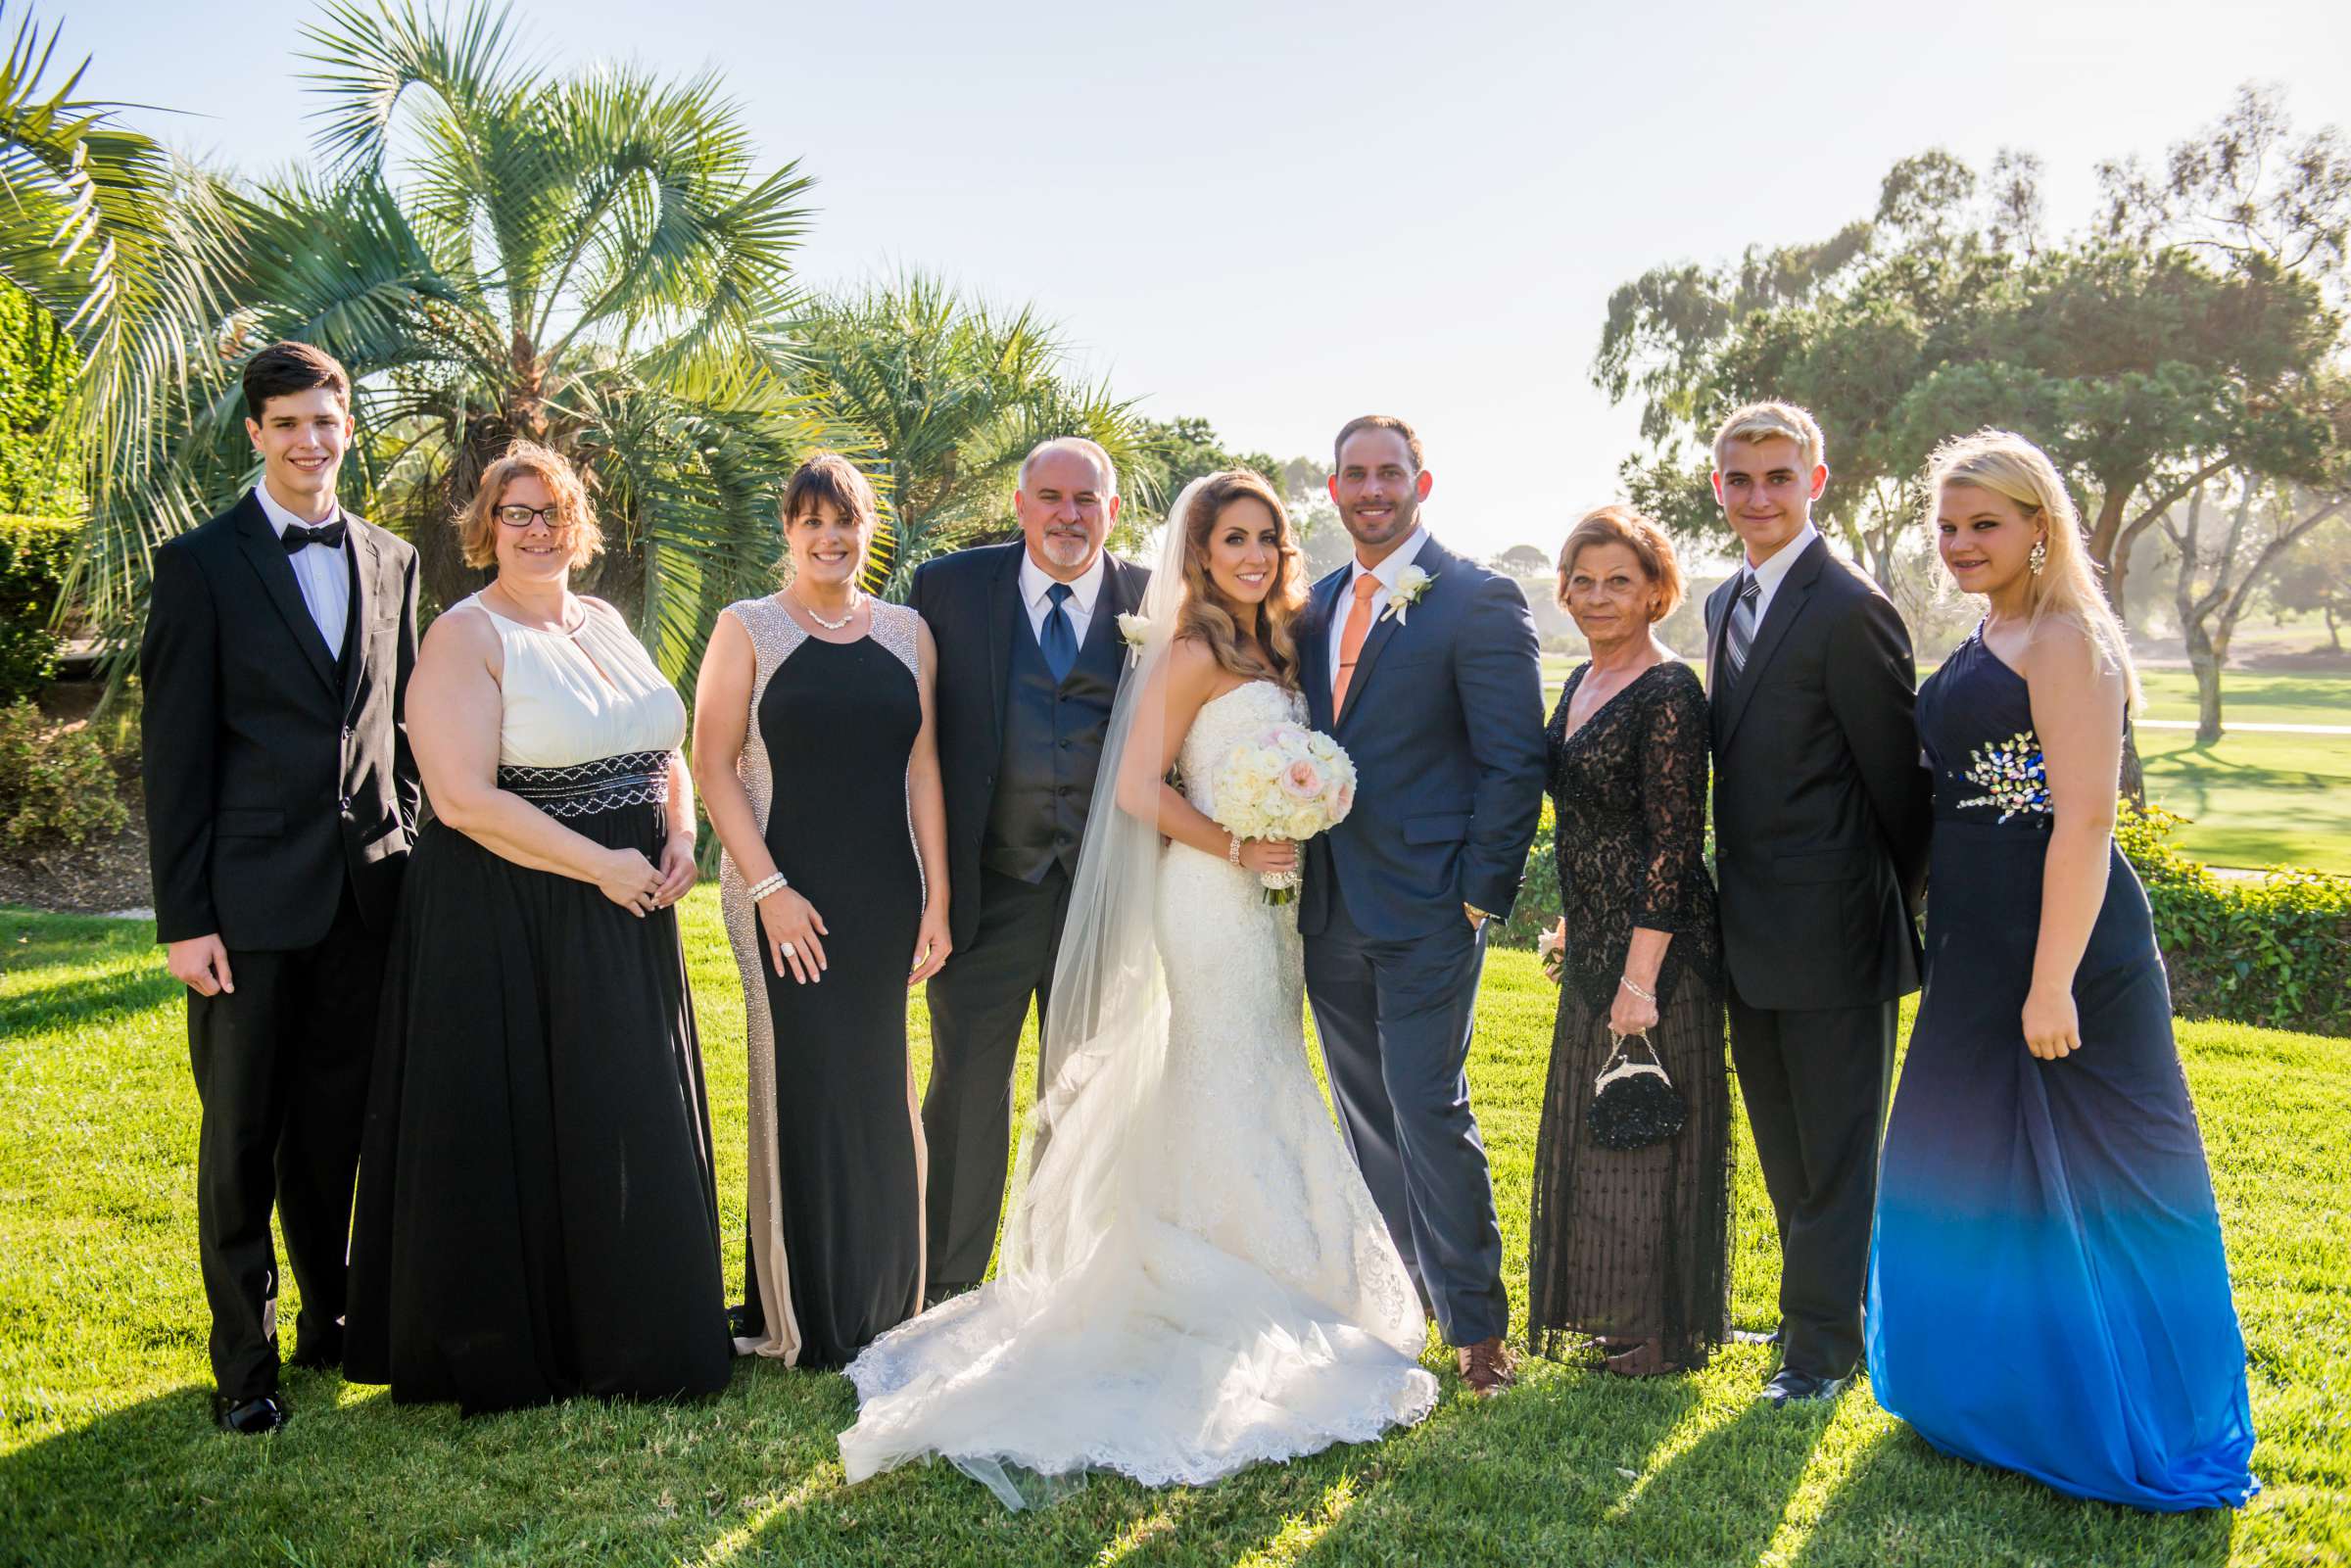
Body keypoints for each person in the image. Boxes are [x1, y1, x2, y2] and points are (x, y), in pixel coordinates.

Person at [838, 470, 1436, 1507]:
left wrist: (1296, 811)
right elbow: (1135, 786)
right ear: (1199, 553)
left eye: (1266, 537)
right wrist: (1240, 841)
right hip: (1210, 894)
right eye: (1230, 538)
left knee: (1260, 1069)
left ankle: (1274, 1265)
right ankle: (1203, 1270)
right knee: (1225, 1064)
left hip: (1274, 906)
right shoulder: (1194, 648)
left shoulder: (1285, 644)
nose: (1250, 553)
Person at [1866, 430, 2258, 1509]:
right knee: (1965, 1164)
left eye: (1983, 523)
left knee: (2111, 1176)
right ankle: (1988, 1397)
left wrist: (2052, 982)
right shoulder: (1996, 626)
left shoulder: (2070, 639)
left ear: (2041, 522)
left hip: (2065, 947)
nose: (1959, 544)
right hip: (1975, 945)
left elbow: (2086, 821)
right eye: (1946, 527)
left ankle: (2126, 1411)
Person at [344, 442, 731, 1412]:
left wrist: (682, 834)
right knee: (529, 1115)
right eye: (517, 511)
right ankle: (526, 1344)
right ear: (486, 526)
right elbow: (464, 799)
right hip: (515, 908)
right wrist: (600, 862)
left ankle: (635, 1330)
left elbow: (663, 749)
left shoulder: (603, 619)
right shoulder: (463, 636)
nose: (537, 527)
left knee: (621, 1106)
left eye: (554, 510)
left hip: (631, 901)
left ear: (578, 524)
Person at [139, 341, 419, 1435]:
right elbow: (175, 759)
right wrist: (184, 920)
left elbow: (391, 730)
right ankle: (244, 1364)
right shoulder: (199, 565)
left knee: (335, 1131)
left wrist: (411, 849)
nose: (311, 441)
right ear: (255, 432)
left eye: (327, 420)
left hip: (366, 898)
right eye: (289, 423)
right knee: (243, 1136)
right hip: (246, 907)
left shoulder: (391, 557)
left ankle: (331, 1318)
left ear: (349, 427)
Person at [1295, 415, 1549, 1397]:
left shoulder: (1477, 600)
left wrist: (1482, 895)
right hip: (1326, 907)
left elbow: (1513, 758)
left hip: (1434, 908)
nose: (1370, 489)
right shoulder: (1312, 607)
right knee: (1367, 1115)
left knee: (1429, 1108)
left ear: (1421, 482)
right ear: (1332, 488)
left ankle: (1480, 1330)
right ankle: (1408, 1301)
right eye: (1353, 474)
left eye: (1387, 473)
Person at [692, 453, 950, 1367]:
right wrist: (769, 890)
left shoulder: (908, 631)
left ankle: (887, 1297)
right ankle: (798, 1307)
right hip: (781, 891)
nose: (830, 538)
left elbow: (922, 765)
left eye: (845, 521)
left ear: (867, 528)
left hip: (885, 893)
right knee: (799, 1081)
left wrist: (938, 898)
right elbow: (712, 763)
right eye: (811, 522)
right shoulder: (748, 627)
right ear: (788, 532)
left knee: (879, 1082)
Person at [1699, 403, 1932, 1407]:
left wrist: (1878, 907)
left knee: (1838, 1150)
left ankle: (1826, 1351)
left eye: (1778, 477)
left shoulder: (1851, 606)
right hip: (1748, 932)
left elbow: (1901, 789)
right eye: (1740, 479)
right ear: (1718, 487)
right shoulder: (1720, 604)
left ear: (1815, 481)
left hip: (1837, 933)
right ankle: (1813, 1311)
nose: (1759, 496)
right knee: (1786, 1142)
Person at [907, 438, 1152, 1305]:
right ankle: (946, 1284)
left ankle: (1063, 1279)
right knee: (968, 1085)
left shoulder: (1153, 598)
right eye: (1049, 496)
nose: (1067, 515)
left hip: (1108, 894)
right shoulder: (947, 587)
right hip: (986, 887)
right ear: (1020, 505)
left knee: (1086, 1087)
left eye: (1086, 499)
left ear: (1111, 511)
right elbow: (916, 734)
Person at [1530, 506, 1729, 1377]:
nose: (1597, 596)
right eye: (1583, 579)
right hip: (1599, 938)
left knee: (1649, 1133)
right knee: (1604, 1128)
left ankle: (1662, 1332)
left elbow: (1674, 841)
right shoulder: (1579, 682)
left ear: (1657, 590)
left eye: (1619, 580)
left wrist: (1640, 978)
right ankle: (1613, 1314)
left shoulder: (1670, 689)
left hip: (1664, 951)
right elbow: (1591, 819)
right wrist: (1578, 919)